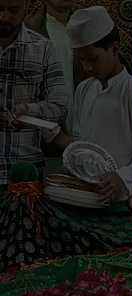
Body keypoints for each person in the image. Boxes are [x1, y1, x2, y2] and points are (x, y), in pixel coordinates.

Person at [65, 6, 132, 202]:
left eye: (93, 59)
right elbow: (79, 140)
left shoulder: (131, 90)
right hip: (83, 191)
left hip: (118, 197)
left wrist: (124, 178)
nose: (87, 67)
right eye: (81, 60)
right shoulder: (83, 89)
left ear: (114, 48)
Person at [0, 0, 67, 187]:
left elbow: (60, 108)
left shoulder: (43, 48)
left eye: (12, 10)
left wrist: (29, 111)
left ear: (26, 8)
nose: (3, 17)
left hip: (27, 173)